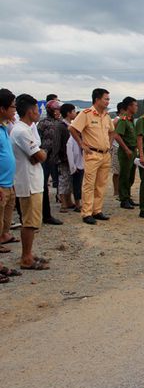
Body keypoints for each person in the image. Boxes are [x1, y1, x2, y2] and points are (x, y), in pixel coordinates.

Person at [11, 94, 50, 270]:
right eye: (36, 110)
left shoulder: (27, 129)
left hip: (33, 179)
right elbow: (39, 155)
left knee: (33, 220)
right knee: (29, 221)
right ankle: (26, 257)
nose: (38, 113)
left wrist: (39, 154)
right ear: (30, 111)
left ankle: (29, 253)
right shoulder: (21, 131)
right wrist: (41, 153)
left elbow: (37, 155)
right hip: (27, 181)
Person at [69, 88, 114, 225]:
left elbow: (112, 131)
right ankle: (87, 212)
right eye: (106, 99)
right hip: (92, 154)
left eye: (108, 99)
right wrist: (82, 144)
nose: (108, 101)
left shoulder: (106, 116)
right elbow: (72, 128)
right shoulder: (86, 114)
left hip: (105, 154)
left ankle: (97, 210)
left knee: (101, 184)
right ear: (97, 99)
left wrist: (110, 144)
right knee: (89, 184)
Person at [0, 89, 23, 282]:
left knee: (3, 227)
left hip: (8, 184)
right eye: (13, 106)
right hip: (0, 186)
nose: (15, 110)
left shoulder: (4, 127)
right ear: (2, 108)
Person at [36, 99, 64, 225]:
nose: (58, 112)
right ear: (50, 110)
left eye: (59, 110)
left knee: (59, 179)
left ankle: (61, 200)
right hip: (44, 156)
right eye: (56, 110)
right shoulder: (42, 123)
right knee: (43, 183)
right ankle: (42, 211)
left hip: (56, 155)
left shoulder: (60, 122)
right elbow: (38, 139)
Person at [113, 96, 138, 209]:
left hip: (132, 151)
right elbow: (117, 136)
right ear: (129, 107)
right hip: (126, 151)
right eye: (135, 105)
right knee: (125, 175)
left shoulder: (130, 119)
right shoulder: (123, 120)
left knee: (131, 176)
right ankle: (124, 199)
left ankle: (127, 196)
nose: (136, 107)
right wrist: (126, 149)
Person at [52, 103, 75, 213]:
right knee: (63, 179)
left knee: (69, 179)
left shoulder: (71, 124)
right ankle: (63, 203)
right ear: (68, 113)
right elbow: (56, 142)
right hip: (63, 156)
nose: (75, 113)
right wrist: (56, 156)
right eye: (73, 111)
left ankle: (69, 200)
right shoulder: (60, 126)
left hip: (70, 157)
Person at [62, 104, 83, 212]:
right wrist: (73, 167)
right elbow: (70, 154)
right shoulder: (71, 140)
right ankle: (77, 203)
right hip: (76, 166)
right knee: (76, 185)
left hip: (82, 164)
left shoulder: (82, 138)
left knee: (80, 185)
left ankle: (79, 202)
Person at [110, 103, 122, 198]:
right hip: (116, 147)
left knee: (122, 171)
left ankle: (121, 190)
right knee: (117, 171)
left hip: (121, 147)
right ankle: (116, 191)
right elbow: (111, 132)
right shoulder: (117, 120)